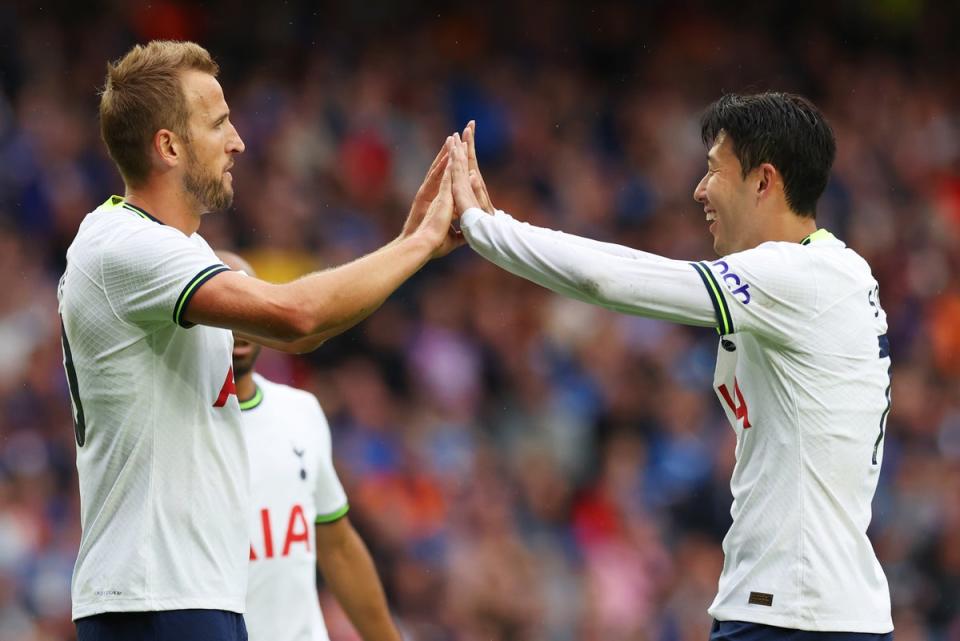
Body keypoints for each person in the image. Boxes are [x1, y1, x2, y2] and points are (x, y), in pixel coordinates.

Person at [447, 94, 894, 640]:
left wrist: (484, 228)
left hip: (790, 614)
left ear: (763, 181)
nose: (699, 190)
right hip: (823, 609)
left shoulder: (801, 277)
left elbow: (612, 281)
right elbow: (636, 266)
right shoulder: (834, 273)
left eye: (713, 171)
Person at [57, 40, 459, 641]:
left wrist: (405, 243)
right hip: (154, 598)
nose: (238, 141)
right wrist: (419, 244)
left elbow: (308, 330)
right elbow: (296, 316)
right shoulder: (121, 245)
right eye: (218, 123)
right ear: (168, 146)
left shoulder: (176, 251)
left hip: (192, 595)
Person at [216, 250, 402, 641]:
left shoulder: (300, 410)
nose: (239, 326)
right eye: (225, 312)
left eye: (248, 306)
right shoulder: (177, 427)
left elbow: (337, 547)